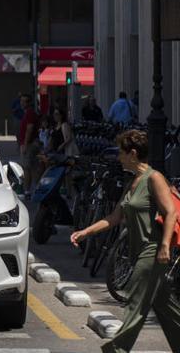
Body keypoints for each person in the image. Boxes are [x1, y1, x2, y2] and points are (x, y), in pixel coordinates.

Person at [71, 130, 180, 353]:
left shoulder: (154, 178)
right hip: (139, 252)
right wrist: (85, 232)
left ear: (133, 154)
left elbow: (170, 213)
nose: (118, 157)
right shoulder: (134, 182)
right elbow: (113, 218)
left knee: (134, 303)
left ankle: (116, 349)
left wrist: (165, 246)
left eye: (121, 153)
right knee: (165, 307)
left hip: (153, 252)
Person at [17, 94, 40, 196]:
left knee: (27, 168)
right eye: (21, 101)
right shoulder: (26, 113)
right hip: (28, 144)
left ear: (29, 103)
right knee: (31, 168)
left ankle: (27, 191)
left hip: (29, 144)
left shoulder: (30, 113)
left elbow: (29, 129)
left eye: (25, 101)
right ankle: (33, 189)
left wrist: (25, 145)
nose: (22, 103)